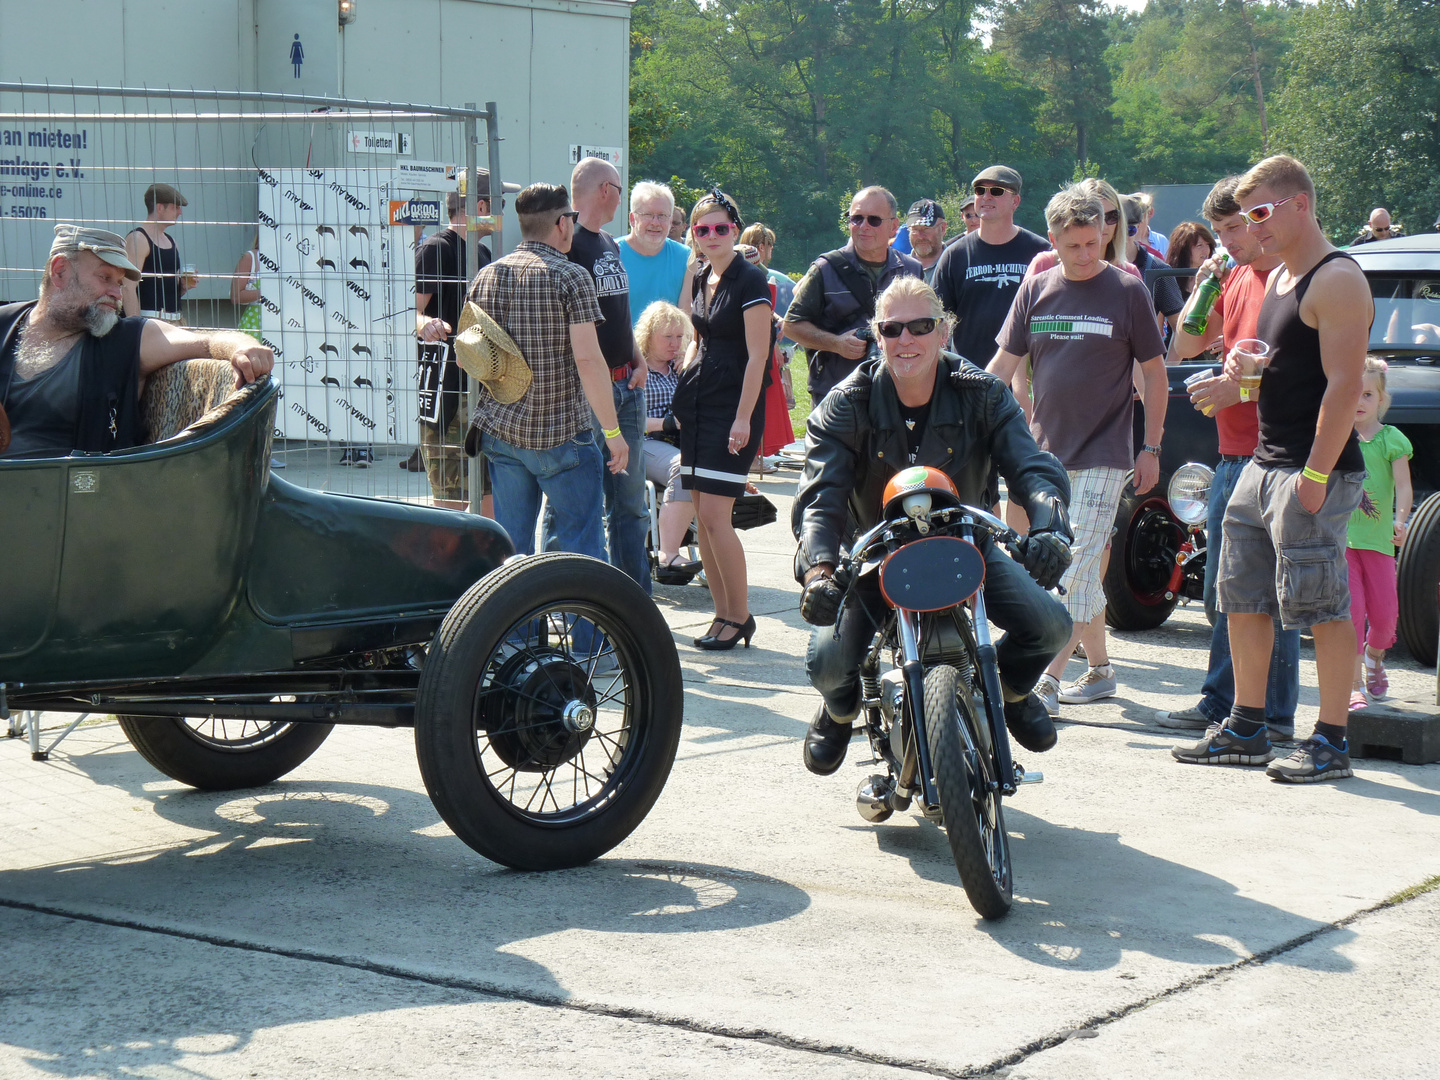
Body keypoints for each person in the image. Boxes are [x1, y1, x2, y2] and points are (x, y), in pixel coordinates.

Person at [792, 275, 1074, 774]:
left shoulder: (982, 392)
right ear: (876, 336)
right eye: (892, 329)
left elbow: (1032, 467)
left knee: (1051, 625)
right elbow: (820, 497)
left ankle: (1008, 690)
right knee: (828, 662)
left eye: (920, 327)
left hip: (967, 545)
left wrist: (1050, 526)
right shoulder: (846, 402)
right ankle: (840, 711)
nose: (906, 340)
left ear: (944, 331)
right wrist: (818, 568)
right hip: (876, 556)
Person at [1173, 154, 1371, 783]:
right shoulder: (1279, 277)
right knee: (1243, 599)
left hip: (1312, 469)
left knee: (1323, 604)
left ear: (1300, 204)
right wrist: (1237, 379)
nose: (1251, 225)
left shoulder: (1336, 277)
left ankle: (1332, 740)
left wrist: (1314, 477)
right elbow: (1274, 369)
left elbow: (1344, 387)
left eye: (1261, 212)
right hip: (1262, 461)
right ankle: (1248, 725)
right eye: (1246, 213)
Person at [988, 184, 1168, 717]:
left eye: (1093, 243)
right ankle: (1101, 670)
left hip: (1106, 452)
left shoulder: (1128, 290)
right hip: (1043, 454)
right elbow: (1000, 367)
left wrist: (1151, 445)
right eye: (1074, 246)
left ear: (1107, 234)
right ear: (1054, 241)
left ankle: (1043, 680)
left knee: (1070, 564)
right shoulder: (1037, 288)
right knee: (1077, 573)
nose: (1086, 255)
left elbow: (1155, 377)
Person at [1159, 175, 1299, 739]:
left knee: (1270, 595)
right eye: (1219, 231)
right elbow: (1184, 345)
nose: (1229, 240)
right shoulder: (1234, 275)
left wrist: (1234, 390)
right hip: (1231, 452)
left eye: (1236, 227)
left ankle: (1273, 715)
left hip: (1276, 454)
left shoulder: (1289, 281)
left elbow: (1297, 378)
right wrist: (1205, 284)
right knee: (1225, 589)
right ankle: (1224, 700)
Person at [1, 224, 272, 458]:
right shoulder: (4, 324)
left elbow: (208, 341)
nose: (117, 294)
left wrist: (243, 347)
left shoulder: (126, 338)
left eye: (120, 283)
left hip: (76, 503)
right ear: (59, 272)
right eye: (105, 277)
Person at [464, 183, 628, 561]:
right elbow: (588, 361)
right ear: (562, 224)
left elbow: (468, 354)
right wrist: (613, 432)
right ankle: (584, 621)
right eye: (570, 217)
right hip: (560, 436)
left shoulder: (487, 274)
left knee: (511, 553)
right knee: (582, 549)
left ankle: (515, 621)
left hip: (501, 432)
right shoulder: (570, 277)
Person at [672, 189, 772, 650]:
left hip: (731, 407)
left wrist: (744, 418)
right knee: (703, 515)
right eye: (702, 229)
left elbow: (759, 356)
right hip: (696, 403)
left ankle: (739, 615)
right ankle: (723, 614)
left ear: (735, 229)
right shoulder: (699, 276)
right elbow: (698, 336)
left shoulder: (750, 280)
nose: (711, 236)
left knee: (716, 514)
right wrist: (685, 370)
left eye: (721, 228)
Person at [564, 156, 650, 593]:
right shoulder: (569, 243)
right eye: (619, 188)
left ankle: (635, 602)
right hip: (588, 392)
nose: (621, 195)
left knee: (630, 504)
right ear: (605, 190)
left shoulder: (609, 245)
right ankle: (569, 598)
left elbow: (618, 312)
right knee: (577, 504)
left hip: (627, 386)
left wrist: (638, 357)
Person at [415, 179, 508, 512]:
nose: (502, 214)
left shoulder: (483, 253)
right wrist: (425, 324)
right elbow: (411, 311)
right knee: (450, 511)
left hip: (483, 396)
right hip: (448, 395)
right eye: (500, 204)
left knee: (488, 509)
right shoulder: (436, 248)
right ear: (481, 208)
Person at [783, 186, 922, 402]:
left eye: (874, 220)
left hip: (896, 391)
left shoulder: (911, 270)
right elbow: (791, 326)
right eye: (856, 218)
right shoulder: (825, 268)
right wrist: (836, 343)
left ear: (894, 226)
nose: (863, 227)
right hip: (835, 391)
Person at [932, 166, 1050, 366]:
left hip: (1027, 378)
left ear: (1016, 201)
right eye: (980, 191)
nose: (986, 197)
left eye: (996, 191)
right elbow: (935, 317)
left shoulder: (1040, 252)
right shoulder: (954, 255)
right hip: (968, 376)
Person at [1346, 357, 1412, 709]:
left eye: (1368, 394)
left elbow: (1403, 486)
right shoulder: (1339, 436)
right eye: (1354, 392)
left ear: (1381, 399)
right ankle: (1354, 684)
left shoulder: (1392, 439)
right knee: (1352, 614)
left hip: (1380, 543)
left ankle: (1374, 659)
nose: (1359, 401)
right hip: (1344, 542)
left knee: (1386, 621)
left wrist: (1401, 520)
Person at [636, 300, 701, 582]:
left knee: (711, 465)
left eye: (679, 337)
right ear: (648, 336)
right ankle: (668, 555)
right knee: (683, 466)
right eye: (668, 337)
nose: (675, 344)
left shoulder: (680, 369)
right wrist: (666, 423)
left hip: (678, 441)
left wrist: (688, 368)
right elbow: (621, 420)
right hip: (644, 442)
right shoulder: (634, 370)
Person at [619, 181, 694, 319]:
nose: (655, 222)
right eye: (648, 214)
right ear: (632, 219)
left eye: (662, 216)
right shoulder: (611, 253)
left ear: (670, 221)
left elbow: (685, 318)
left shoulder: (685, 257)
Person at [123, 183, 194, 323]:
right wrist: (137, 327)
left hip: (175, 321)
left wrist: (183, 287)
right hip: (149, 321)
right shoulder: (138, 239)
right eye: (175, 207)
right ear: (160, 207)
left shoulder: (172, 241)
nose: (180, 212)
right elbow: (127, 288)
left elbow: (165, 290)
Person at [1124, 195, 1185, 334]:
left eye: (1130, 230)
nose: (1123, 237)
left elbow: (1181, 330)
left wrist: (1165, 355)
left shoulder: (1156, 264)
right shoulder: (1090, 264)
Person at [1166, 222, 1216, 298]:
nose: (1206, 250)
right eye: (1199, 245)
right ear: (1183, 249)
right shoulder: (1168, 279)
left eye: (1208, 245)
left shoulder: (1213, 277)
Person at [904, 199, 947, 285]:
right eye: (915, 229)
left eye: (926, 229)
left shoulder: (957, 265)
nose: (921, 236)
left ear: (943, 228)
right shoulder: (899, 268)